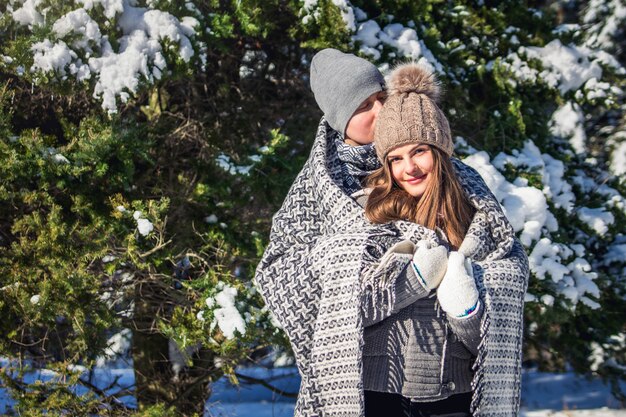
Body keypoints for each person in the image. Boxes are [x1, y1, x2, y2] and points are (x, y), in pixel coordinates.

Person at [254, 49, 529, 417]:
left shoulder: (458, 181)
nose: (381, 110)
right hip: (371, 388)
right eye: (364, 106)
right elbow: (291, 278)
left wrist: (465, 299)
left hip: (452, 387)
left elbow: (502, 262)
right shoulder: (323, 189)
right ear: (340, 120)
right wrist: (410, 280)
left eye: (382, 96)